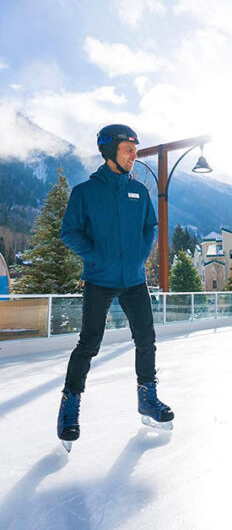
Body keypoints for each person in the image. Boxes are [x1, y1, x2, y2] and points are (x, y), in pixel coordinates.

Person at [57, 124, 174, 449]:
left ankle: (147, 399)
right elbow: (69, 232)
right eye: (128, 149)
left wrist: (139, 254)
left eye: (136, 149)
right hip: (99, 279)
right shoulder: (85, 192)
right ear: (109, 150)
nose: (135, 155)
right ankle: (69, 407)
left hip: (134, 280)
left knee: (146, 339)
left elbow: (150, 225)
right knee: (89, 343)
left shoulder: (139, 191)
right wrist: (96, 257)